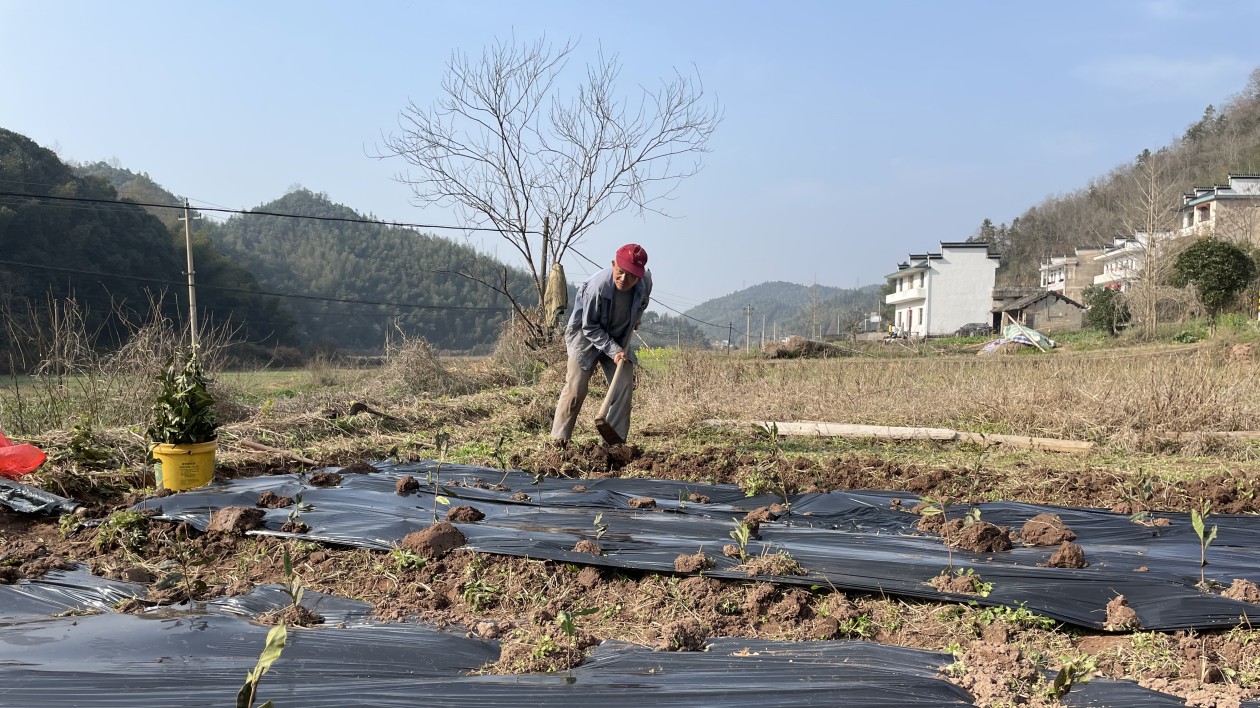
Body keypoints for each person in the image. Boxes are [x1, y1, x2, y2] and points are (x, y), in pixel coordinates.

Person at [551, 243, 652, 447]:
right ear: (614, 264)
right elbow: (590, 327)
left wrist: (636, 318)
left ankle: (613, 445)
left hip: (618, 337)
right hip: (585, 337)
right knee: (575, 389)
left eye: (632, 276)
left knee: (623, 386)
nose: (624, 280)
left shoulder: (644, 285)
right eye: (620, 272)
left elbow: (643, 302)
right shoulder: (596, 288)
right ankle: (559, 442)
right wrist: (613, 350)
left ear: (639, 276)